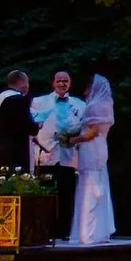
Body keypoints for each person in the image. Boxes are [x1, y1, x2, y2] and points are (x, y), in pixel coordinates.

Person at [29, 70, 85, 235]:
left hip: (68, 155)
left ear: (70, 83)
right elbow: (32, 126)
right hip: (46, 155)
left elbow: (84, 128)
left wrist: (72, 137)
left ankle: (65, 231)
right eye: (59, 80)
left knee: (67, 194)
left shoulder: (80, 105)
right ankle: (44, 230)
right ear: (53, 82)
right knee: (44, 194)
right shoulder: (39, 102)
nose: (62, 83)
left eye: (65, 81)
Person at [64, 75, 117, 246]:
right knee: (97, 184)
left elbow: (92, 131)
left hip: (91, 147)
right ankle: (98, 231)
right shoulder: (106, 104)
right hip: (100, 147)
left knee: (89, 187)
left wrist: (72, 140)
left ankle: (88, 232)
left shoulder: (95, 106)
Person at [0, 71, 34, 173]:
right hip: (17, 150)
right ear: (21, 82)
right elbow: (26, 125)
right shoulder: (19, 100)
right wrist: (36, 127)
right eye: (27, 82)